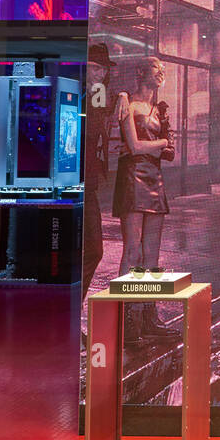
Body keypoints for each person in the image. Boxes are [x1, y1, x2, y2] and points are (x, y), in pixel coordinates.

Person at [111, 57, 176, 337]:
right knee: (132, 252)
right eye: (155, 68)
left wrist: (163, 145)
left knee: (152, 253)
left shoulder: (159, 110)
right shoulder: (127, 103)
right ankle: (126, 322)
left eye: (163, 69)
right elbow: (135, 147)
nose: (160, 73)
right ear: (140, 72)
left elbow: (169, 153)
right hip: (132, 179)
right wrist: (161, 143)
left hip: (154, 180)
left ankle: (150, 319)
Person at [81, 43, 114, 298]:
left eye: (103, 69)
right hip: (74, 182)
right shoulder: (79, 94)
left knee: (93, 249)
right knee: (90, 249)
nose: (100, 74)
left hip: (89, 182)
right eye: (96, 68)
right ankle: (70, 308)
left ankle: (73, 306)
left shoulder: (98, 95)